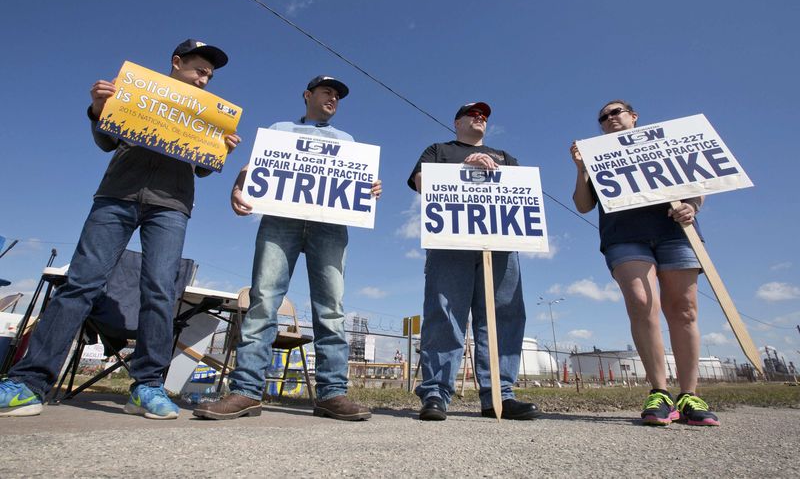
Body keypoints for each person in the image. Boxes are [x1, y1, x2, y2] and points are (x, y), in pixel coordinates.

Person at [0, 39, 240, 420]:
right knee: (81, 283)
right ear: (176, 64)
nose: (204, 80)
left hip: (172, 206)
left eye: (209, 75)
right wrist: (98, 108)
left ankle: (147, 387)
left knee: (160, 290)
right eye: (199, 70)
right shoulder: (139, 93)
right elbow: (106, 140)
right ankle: (28, 384)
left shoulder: (207, 115)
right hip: (117, 196)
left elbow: (203, 166)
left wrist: (219, 148)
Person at [193, 75, 381, 422]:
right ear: (308, 95)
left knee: (331, 308)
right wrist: (238, 185)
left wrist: (366, 189)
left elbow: (354, 177)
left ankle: (332, 394)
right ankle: (246, 391)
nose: (333, 98)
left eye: (338, 95)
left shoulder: (347, 140)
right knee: (264, 299)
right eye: (327, 91)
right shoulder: (280, 129)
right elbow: (255, 167)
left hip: (329, 225)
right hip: (281, 221)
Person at [570, 100, 719, 427]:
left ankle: (690, 394)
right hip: (624, 235)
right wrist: (581, 168)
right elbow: (583, 204)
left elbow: (697, 182)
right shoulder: (597, 155)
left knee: (684, 308)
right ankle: (659, 392)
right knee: (641, 302)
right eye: (603, 117)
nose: (609, 119)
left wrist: (692, 207)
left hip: (675, 232)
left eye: (616, 112)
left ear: (633, 116)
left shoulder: (666, 142)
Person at [407, 102, 539, 421]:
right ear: (456, 122)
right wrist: (463, 169)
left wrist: (494, 167)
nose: (479, 118)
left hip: (500, 245)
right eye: (472, 114)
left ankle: (499, 394)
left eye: (484, 116)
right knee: (445, 313)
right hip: (450, 242)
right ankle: (436, 392)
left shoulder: (505, 157)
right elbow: (422, 184)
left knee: (503, 315)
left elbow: (522, 191)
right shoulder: (438, 150)